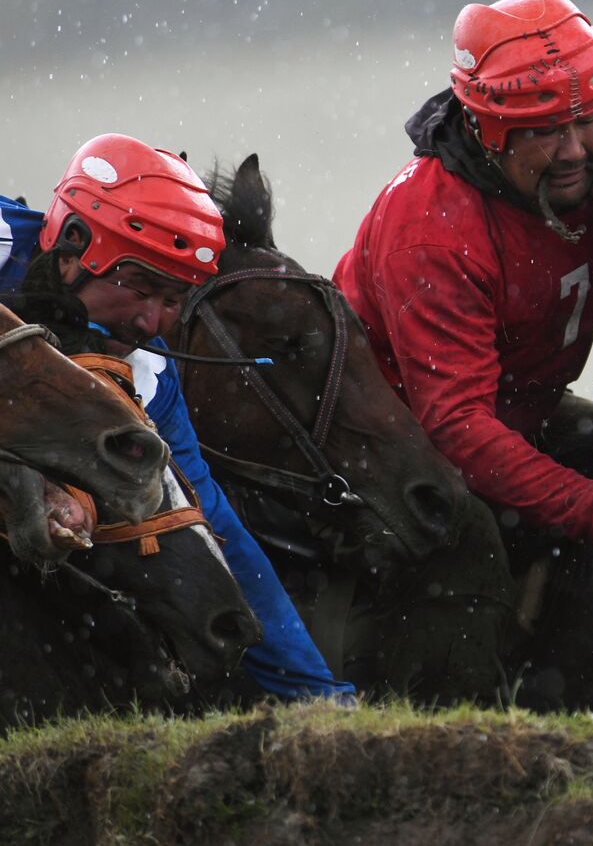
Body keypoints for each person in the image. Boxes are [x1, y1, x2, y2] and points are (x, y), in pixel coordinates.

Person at [333, 0, 593, 594]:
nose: (573, 152)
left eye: (588, 119)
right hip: (401, 447)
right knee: (475, 572)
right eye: (542, 131)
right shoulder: (431, 232)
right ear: (487, 127)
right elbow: (456, 428)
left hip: (521, 415)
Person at [11, 132, 354, 701]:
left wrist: (316, 694)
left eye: (175, 300)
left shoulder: (152, 374)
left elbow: (209, 521)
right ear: (72, 248)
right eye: (141, 288)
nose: (153, 322)